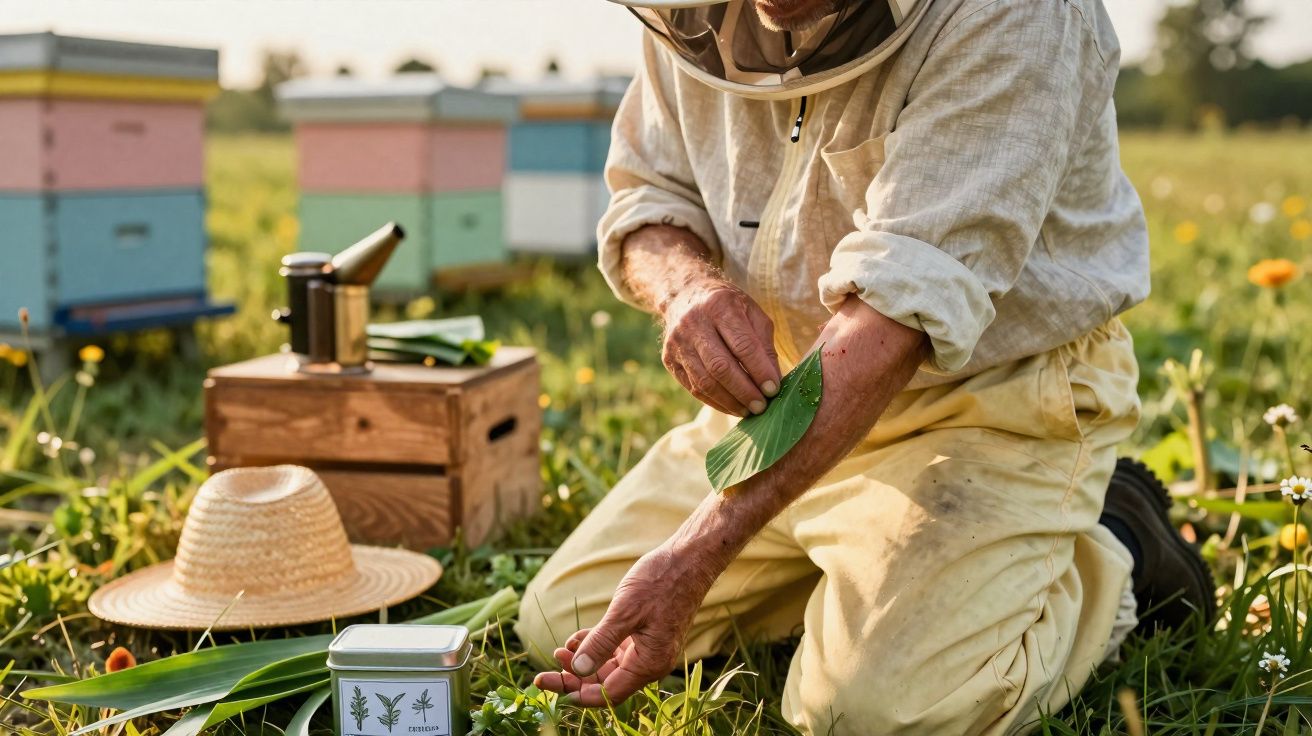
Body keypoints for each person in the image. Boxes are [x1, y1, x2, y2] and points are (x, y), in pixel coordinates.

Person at [516, 0, 1213, 733]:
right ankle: (864, 577)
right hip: (777, 401)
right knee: (562, 621)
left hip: (982, 409)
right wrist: (687, 285)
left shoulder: (1020, 15)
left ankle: (1118, 555)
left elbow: (901, 310)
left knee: (870, 717)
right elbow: (649, 198)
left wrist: (695, 556)